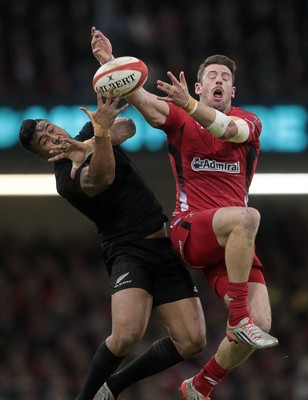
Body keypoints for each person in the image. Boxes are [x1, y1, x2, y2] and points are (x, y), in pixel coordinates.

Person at [90, 27, 279, 400]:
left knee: (263, 324)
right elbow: (141, 98)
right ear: (198, 87)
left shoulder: (250, 121)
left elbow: (231, 129)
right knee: (247, 218)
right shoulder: (180, 118)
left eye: (226, 78)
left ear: (233, 92)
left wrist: (191, 107)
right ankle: (237, 316)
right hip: (189, 231)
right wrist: (110, 64)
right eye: (212, 76)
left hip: (229, 245)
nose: (220, 80)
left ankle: (201, 384)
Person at [18, 90, 206, 400]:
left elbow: (129, 127)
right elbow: (101, 177)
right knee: (126, 335)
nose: (53, 136)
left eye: (51, 129)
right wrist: (101, 137)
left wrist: (96, 136)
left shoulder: (89, 131)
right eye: (45, 141)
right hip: (127, 251)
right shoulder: (65, 179)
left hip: (163, 243)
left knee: (193, 340)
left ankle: (114, 386)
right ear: (44, 155)